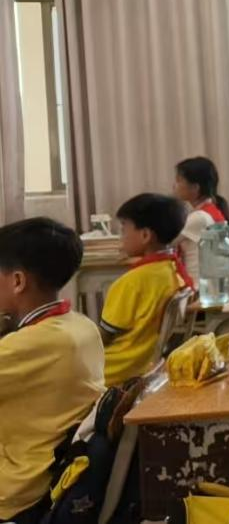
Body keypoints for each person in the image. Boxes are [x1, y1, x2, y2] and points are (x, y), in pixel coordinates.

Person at [0, 218, 104, 524]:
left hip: (20, 491)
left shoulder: (24, 346)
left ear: (18, 281)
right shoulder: (81, 325)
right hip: (56, 470)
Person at [100, 193, 191, 387]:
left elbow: (104, 336)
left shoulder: (131, 282)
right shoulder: (172, 270)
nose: (121, 237)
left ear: (145, 235)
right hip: (147, 365)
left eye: (124, 229)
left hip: (114, 369)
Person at [173, 156, 229, 282]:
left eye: (179, 181)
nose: (174, 186)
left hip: (199, 287)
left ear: (195, 187)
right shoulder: (211, 211)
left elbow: (163, 244)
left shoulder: (199, 218)